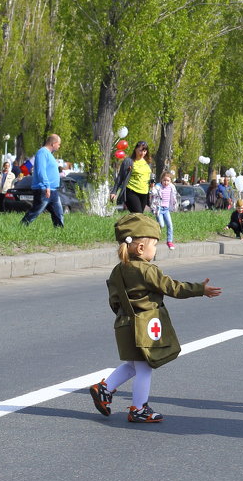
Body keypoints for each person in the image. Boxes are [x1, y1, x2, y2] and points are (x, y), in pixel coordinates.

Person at [88, 214, 222, 423]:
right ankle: (139, 408)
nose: (155, 250)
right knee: (144, 369)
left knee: (133, 364)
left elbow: (114, 300)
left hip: (124, 324)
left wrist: (125, 315)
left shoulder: (118, 270)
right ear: (141, 248)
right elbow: (173, 288)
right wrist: (200, 289)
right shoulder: (146, 270)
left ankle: (104, 389)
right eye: (154, 245)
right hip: (144, 325)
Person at [21, 134, 64, 228]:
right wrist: (47, 186)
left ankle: (60, 231)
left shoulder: (50, 154)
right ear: (53, 143)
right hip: (44, 189)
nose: (59, 146)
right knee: (36, 211)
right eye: (59, 144)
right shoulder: (42, 153)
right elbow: (41, 171)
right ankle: (22, 226)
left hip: (53, 190)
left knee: (58, 212)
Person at [112, 141, 152, 213]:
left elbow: (147, 176)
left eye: (144, 151)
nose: (142, 153)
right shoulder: (129, 161)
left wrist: (152, 183)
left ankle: (125, 224)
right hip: (131, 191)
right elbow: (120, 177)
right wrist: (114, 191)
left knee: (138, 216)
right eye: (140, 150)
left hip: (144, 193)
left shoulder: (147, 162)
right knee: (138, 214)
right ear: (135, 149)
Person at [151, 172, 180, 249]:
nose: (166, 182)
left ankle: (169, 241)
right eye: (164, 180)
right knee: (161, 224)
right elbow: (153, 192)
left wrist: (174, 206)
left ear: (170, 181)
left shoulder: (171, 187)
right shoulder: (158, 186)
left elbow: (174, 196)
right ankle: (154, 237)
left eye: (168, 181)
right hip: (159, 209)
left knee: (170, 225)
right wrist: (152, 187)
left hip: (166, 209)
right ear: (161, 180)